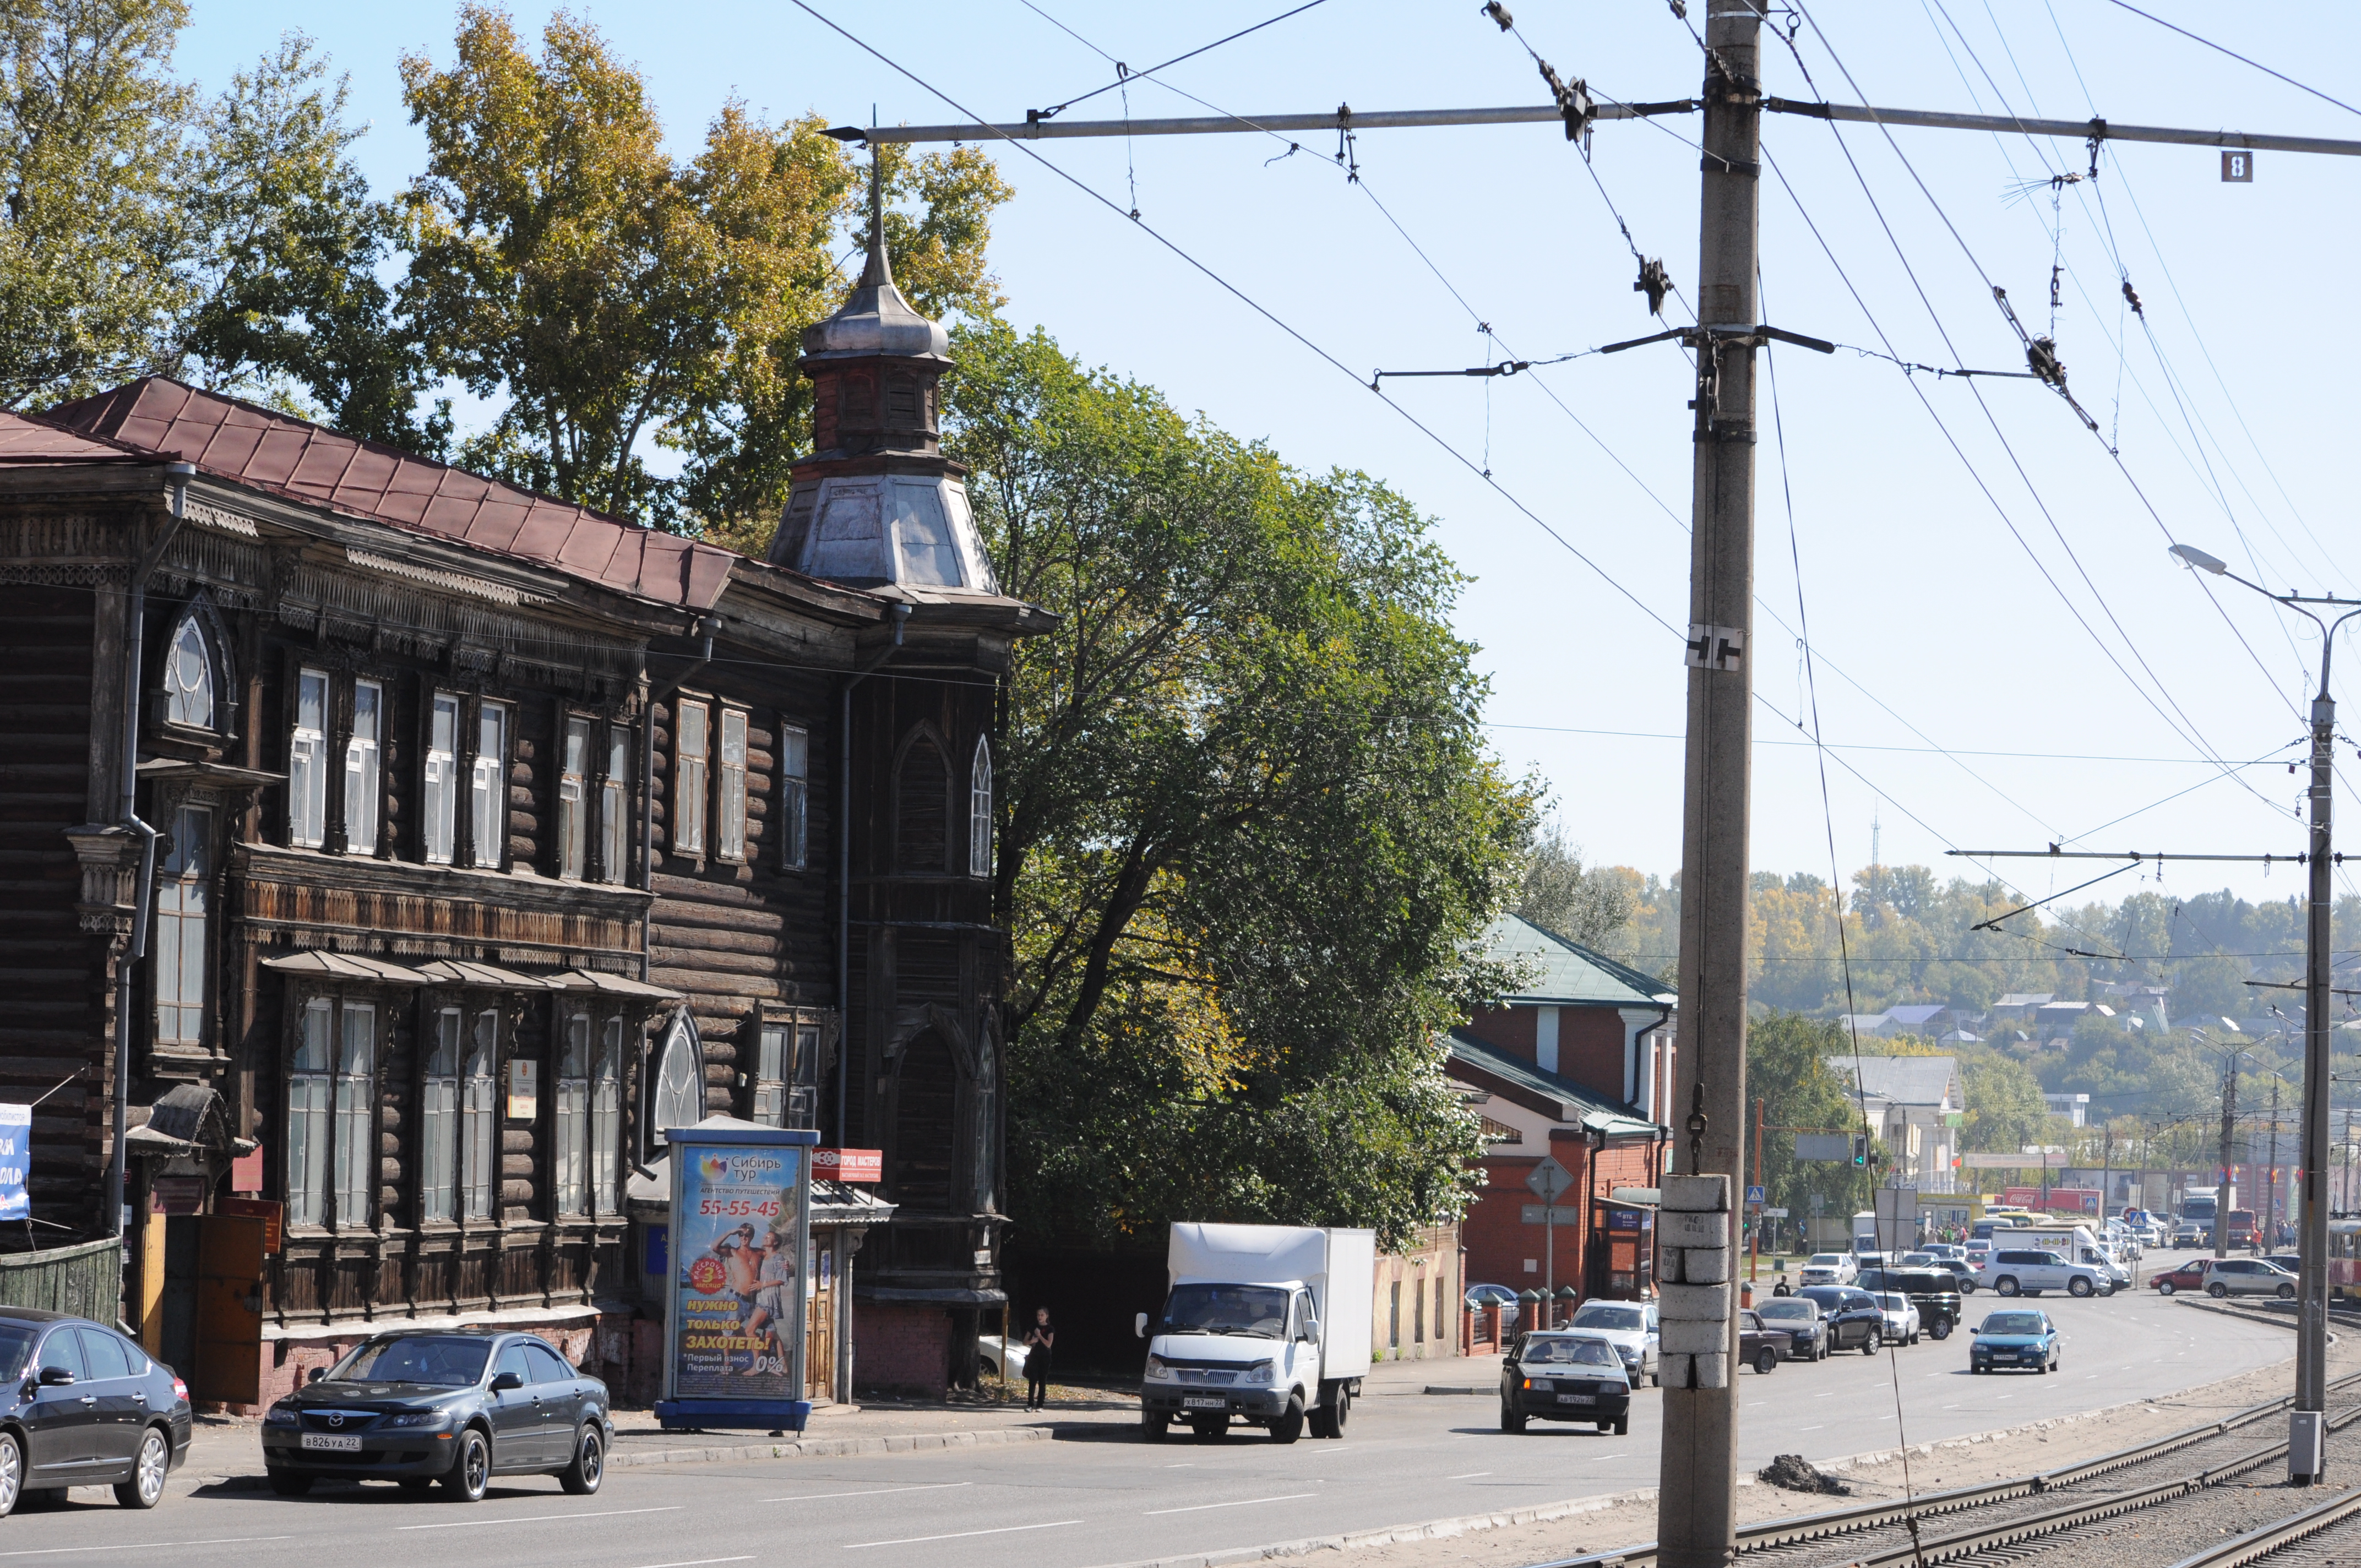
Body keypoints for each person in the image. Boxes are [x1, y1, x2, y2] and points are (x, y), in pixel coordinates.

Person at [1021, 1307, 1054, 1411]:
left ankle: (1040, 1405)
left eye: (1042, 1315)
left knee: (1042, 1381)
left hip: (1045, 1356)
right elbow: (1025, 1341)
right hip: (1034, 1356)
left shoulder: (1050, 1329)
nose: (1040, 1317)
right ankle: (1030, 1404)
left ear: (1047, 1316)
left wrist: (1040, 1336)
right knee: (1033, 1380)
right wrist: (1032, 1341)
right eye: (1038, 1315)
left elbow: (1049, 1344)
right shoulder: (1033, 1327)